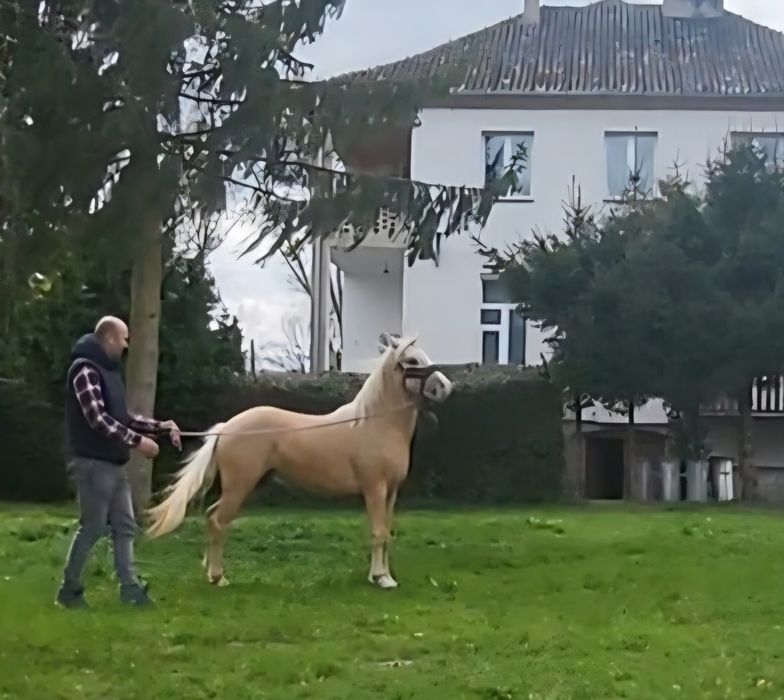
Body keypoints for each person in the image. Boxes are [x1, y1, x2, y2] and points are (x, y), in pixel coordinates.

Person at [55, 316, 181, 609]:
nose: (127, 345)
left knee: (125, 526)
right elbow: (98, 419)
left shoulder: (109, 372)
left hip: (113, 464)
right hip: (92, 464)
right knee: (93, 527)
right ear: (109, 338)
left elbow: (123, 418)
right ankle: (69, 590)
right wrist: (139, 442)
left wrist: (160, 427)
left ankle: (130, 589)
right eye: (124, 339)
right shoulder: (84, 370)